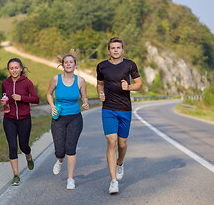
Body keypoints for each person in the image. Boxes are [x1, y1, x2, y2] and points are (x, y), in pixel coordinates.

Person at [96, 37, 142, 194]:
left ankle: (120, 163)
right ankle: (113, 181)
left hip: (125, 109)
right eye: (112, 48)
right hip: (108, 109)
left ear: (122, 50)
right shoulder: (102, 66)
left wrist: (128, 87)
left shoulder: (130, 65)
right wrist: (100, 93)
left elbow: (139, 84)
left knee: (122, 144)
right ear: (108, 50)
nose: (115, 50)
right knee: (112, 143)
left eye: (118, 47)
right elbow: (100, 84)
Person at [46, 54, 89, 190]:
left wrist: (86, 103)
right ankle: (59, 160)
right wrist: (52, 107)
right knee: (60, 151)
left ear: (75, 65)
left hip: (75, 118)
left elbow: (84, 97)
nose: (69, 64)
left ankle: (70, 179)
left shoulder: (80, 81)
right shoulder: (55, 79)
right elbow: (48, 94)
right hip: (58, 118)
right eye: (66, 62)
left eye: (71, 62)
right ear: (63, 65)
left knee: (70, 149)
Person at [1, 58, 40, 186]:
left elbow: (36, 99)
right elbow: (5, 98)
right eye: (11, 68)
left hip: (24, 119)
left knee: (23, 146)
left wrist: (21, 98)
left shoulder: (27, 82)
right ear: (8, 70)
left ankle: (28, 156)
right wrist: (4, 103)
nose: (14, 70)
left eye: (16, 68)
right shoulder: (5, 83)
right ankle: (16, 175)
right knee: (12, 146)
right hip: (9, 119)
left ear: (21, 69)